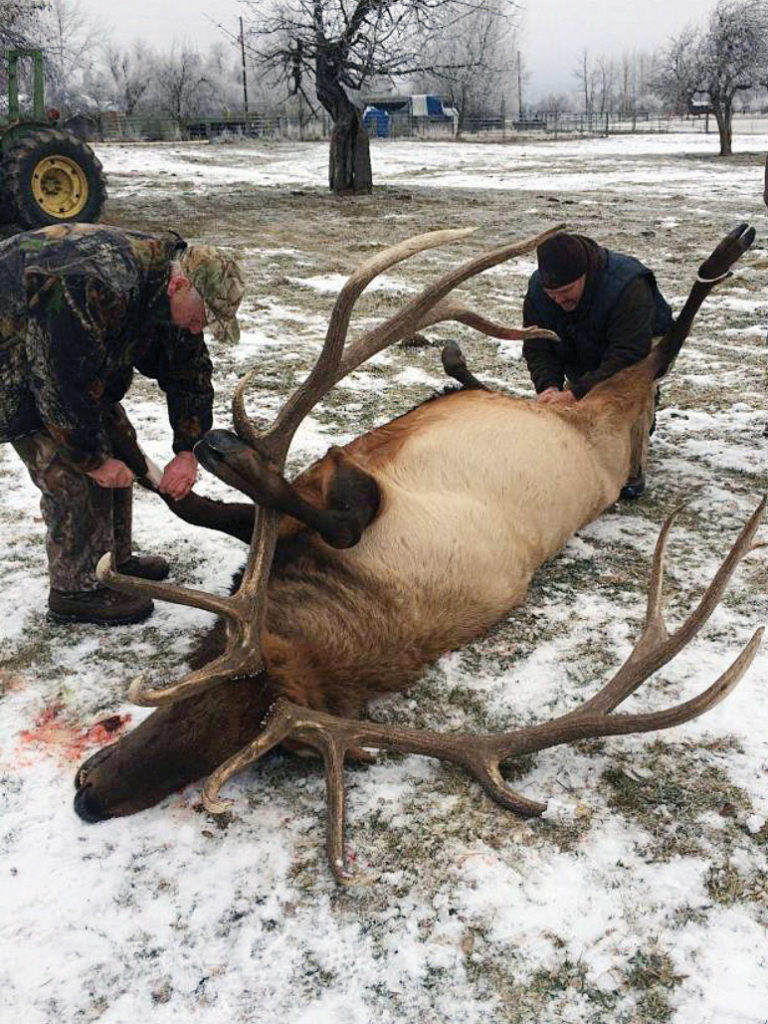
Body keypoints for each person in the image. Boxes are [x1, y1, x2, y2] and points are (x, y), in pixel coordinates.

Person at [0, 223, 244, 625]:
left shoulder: (174, 290)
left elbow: (189, 370)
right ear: (179, 286)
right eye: (202, 318)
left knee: (118, 449)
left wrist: (188, 448)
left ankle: (112, 562)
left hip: (67, 364)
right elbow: (58, 385)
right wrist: (92, 461)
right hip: (16, 360)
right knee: (71, 471)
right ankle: (76, 589)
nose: (199, 329)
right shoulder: (91, 282)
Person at [521, 231, 674, 498]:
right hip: (584, 344)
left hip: (641, 351)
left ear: (585, 275)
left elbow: (629, 354)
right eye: (552, 294)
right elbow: (538, 346)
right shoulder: (538, 292)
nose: (559, 300)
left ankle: (630, 469)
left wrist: (574, 392)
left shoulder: (628, 285)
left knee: (625, 392)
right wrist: (549, 387)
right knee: (575, 409)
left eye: (566, 291)